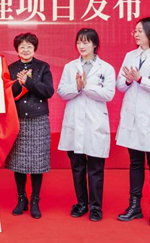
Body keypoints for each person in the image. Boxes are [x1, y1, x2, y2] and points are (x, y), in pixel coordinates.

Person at [115, 17, 150, 227]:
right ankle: (134, 206)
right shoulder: (130, 55)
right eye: (135, 31)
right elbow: (120, 85)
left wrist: (141, 80)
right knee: (135, 162)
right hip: (132, 117)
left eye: (140, 31)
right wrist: (128, 80)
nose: (136, 34)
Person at [57, 28, 116, 222]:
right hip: (74, 122)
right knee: (78, 166)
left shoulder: (106, 68)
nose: (81, 46)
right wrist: (77, 87)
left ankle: (96, 208)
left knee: (96, 168)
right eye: (79, 42)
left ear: (95, 44)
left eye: (86, 42)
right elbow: (62, 92)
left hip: (95, 122)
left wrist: (86, 86)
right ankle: (81, 203)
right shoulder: (70, 67)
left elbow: (108, 94)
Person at [4, 33, 54, 219]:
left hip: (38, 119)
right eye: (22, 47)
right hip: (18, 120)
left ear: (35, 49)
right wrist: (19, 83)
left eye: (29, 47)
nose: (25, 50)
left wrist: (29, 82)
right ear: (17, 50)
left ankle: (35, 201)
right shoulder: (12, 68)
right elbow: (7, 94)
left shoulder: (43, 67)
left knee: (37, 164)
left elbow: (48, 91)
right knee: (19, 163)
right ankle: (21, 199)